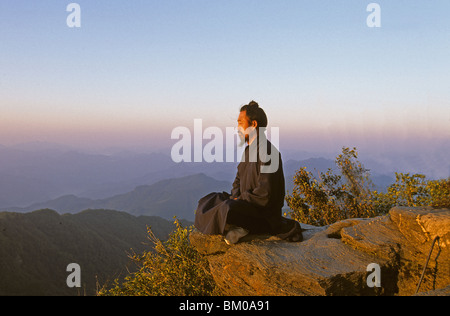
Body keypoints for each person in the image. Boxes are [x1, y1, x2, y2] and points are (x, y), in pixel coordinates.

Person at [194, 101, 302, 244]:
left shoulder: (269, 153)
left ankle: (239, 227)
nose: (237, 128)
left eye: (240, 123)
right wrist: (235, 196)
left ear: (254, 125)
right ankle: (236, 226)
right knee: (210, 200)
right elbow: (238, 180)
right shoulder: (248, 151)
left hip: (263, 215)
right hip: (246, 205)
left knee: (228, 207)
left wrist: (240, 200)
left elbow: (265, 195)